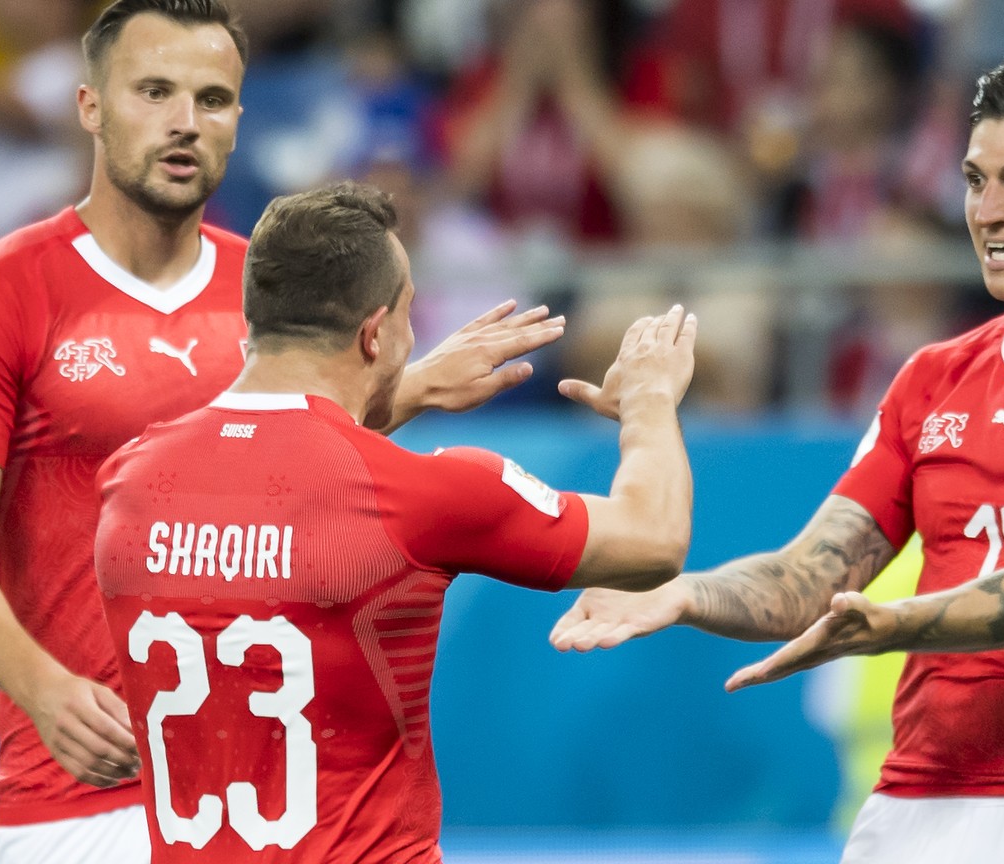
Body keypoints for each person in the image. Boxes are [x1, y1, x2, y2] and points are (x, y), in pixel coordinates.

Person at [0, 2, 564, 862]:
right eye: (154, 91)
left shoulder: (269, 288)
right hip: (76, 805)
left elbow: (291, 462)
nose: (185, 122)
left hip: (264, 817)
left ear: (239, 119)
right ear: (90, 105)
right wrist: (42, 689)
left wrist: (413, 390)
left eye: (213, 100)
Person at [552, 50, 1004, 864]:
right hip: (913, 804)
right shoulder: (932, 379)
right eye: (974, 179)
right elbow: (813, 576)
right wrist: (683, 594)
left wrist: (897, 624)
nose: (987, 211)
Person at [94, 180, 697, 862]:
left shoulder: (131, 477)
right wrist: (650, 397)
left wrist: (408, 386)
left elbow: (276, 469)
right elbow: (653, 538)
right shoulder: (420, 492)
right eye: (410, 313)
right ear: (376, 332)